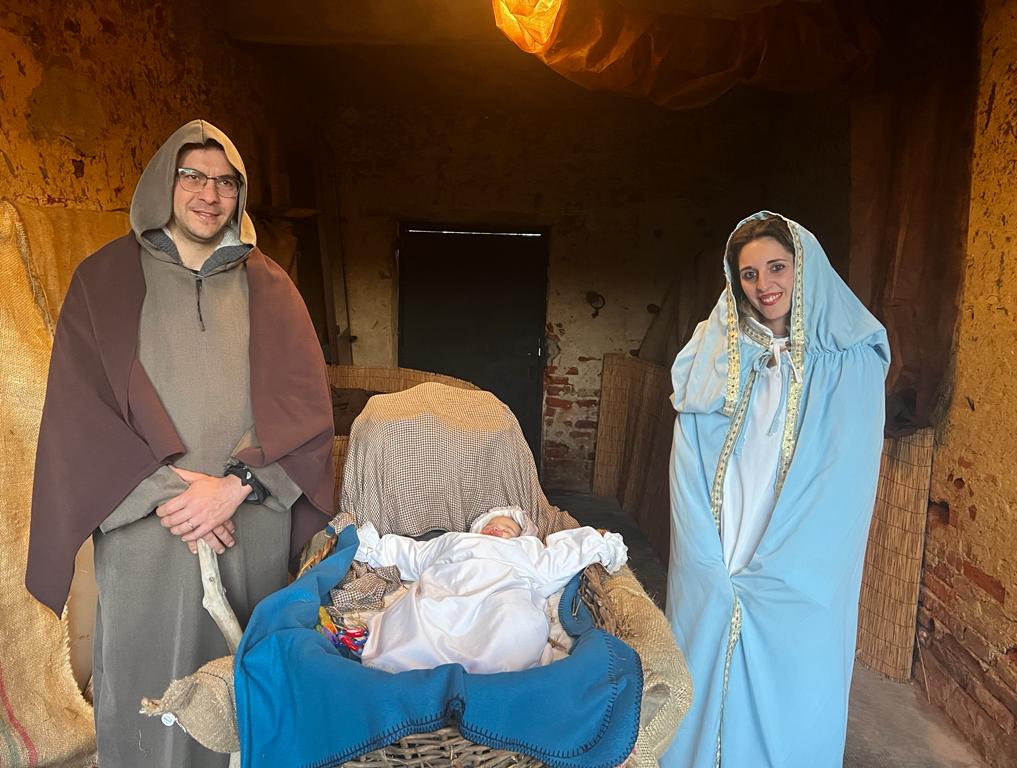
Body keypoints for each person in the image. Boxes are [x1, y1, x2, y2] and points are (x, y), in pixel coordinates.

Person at [25, 119, 335, 768]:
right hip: (145, 519)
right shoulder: (103, 280)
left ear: (239, 195)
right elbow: (81, 410)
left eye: (225, 182)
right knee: (146, 678)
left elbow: (303, 406)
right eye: (192, 176)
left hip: (248, 517)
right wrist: (176, 494)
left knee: (240, 680)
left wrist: (235, 487)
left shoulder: (272, 287)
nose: (208, 194)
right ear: (164, 182)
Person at [661, 212, 889, 767]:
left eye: (777, 267)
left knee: (798, 665)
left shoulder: (849, 358)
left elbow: (845, 476)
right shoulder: (714, 349)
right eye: (749, 274)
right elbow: (688, 453)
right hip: (725, 530)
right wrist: (702, 553)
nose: (764, 285)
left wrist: (790, 564)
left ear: (803, 267)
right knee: (706, 645)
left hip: (798, 543)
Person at [352, 506, 628, 674]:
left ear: (521, 536)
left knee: (515, 621)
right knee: (424, 611)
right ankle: (413, 669)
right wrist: (374, 547)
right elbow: (414, 554)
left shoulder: (526, 550)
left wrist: (598, 543)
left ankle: (496, 676)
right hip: (451, 588)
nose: (497, 529)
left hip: (504, 593)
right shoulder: (455, 540)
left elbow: (560, 559)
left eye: (507, 528)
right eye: (492, 525)